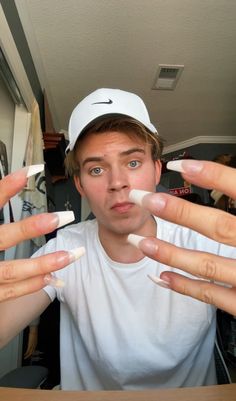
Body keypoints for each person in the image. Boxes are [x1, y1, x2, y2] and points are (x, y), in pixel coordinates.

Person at [0, 88, 236, 391]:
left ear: (156, 171)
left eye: (133, 163)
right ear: (81, 185)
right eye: (97, 169)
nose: (117, 183)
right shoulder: (65, 249)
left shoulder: (204, 242)